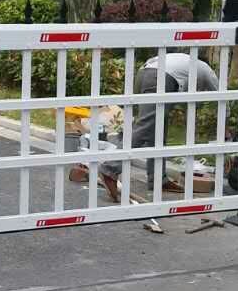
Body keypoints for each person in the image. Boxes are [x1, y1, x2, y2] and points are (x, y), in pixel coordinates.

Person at [94, 50, 220, 201]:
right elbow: (221, 97)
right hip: (159, 78)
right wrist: (225, 127)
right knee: (145, 127)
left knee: (157, 129)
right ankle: (110, 168)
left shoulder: (183, 63)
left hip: (145, 73)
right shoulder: (205, 68)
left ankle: (159, 179)